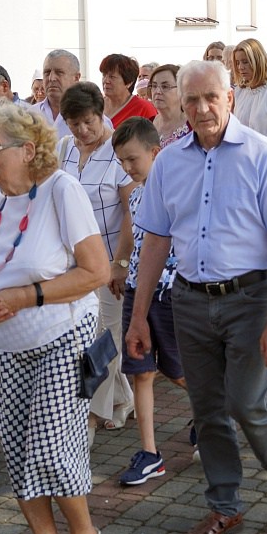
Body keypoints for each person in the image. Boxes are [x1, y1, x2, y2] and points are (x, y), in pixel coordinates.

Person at [125, 60, 267, 534]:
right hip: (190, 300)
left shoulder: (262, 155)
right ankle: (225, 506)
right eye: (193, 99)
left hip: (250, 298)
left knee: (247, 402)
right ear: (181, 104)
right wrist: (139, 316)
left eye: (211, 98)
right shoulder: (169, 161)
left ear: (230, 99)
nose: (202, 108)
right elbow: (156, 243)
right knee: (207, 411)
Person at [0, 102, 111, 534]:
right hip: (2, 344)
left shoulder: (61, 191)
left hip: (61, 336)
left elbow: (97, 272)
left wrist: (23, 297)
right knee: (19, 452)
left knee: (51, 445)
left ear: (28, 150)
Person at [57, 82, 137, 435]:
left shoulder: (119, 150)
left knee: (105, 340)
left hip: (110, 262)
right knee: (88, 338)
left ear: (102, 112)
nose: (83, 130)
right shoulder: (64, 149)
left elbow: (131, 213)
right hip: (73, 266)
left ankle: (90, 417)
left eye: (89, 121)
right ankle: (122, 400)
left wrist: (119, 264)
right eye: (75, 124)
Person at [112, 118, 188, 486]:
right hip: (135, 292)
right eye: (121, 162)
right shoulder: (137, 192)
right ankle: (150, 452)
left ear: (155, 152)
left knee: (178, 371)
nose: (127, 168)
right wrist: (121, 266)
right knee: (140, 371)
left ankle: (216, 411)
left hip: (169, 293)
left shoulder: (177, 191)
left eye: (132, 159)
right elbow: (132, 236)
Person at [232, 38, 267, 147]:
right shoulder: (237, 92)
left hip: (263, 158)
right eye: (237, 62)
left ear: (257, 61)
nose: (240, 67)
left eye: (245, 62)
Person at [99, 54, 157, 129]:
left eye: (112, 77)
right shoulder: (96, 106)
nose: (106, 81)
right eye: (104, 75)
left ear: (129, 82)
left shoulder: (144, 109)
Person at [34, 49, 82, 137]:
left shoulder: (91, 119)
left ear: (76, 78)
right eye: (47, 73)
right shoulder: (29, 115)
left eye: (59, 72)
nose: (51, 78)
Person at [148, 64, 191, 149]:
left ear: (181, 90)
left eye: (165, 86)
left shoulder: (192, 126)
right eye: (154, 86)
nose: (158, 91)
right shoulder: (148, 124)